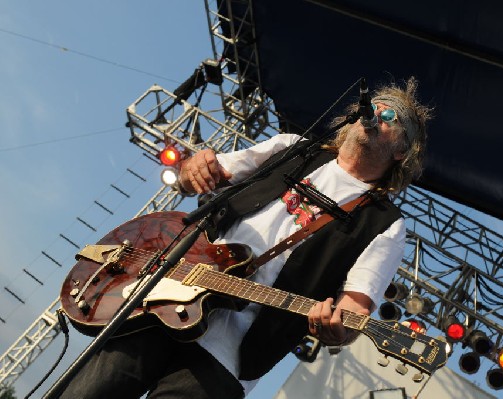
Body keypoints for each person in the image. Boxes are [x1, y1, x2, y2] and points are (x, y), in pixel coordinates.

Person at [58, 77, 432, 398]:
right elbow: (198, 176)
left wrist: (339, 328)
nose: (373, 116)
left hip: (229, 356)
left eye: (387, 118)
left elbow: (354, 306)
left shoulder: (385, 223)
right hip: (163, 303)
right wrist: (194, 168)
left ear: (401, 150)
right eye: (372, 108)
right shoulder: (292, 149)